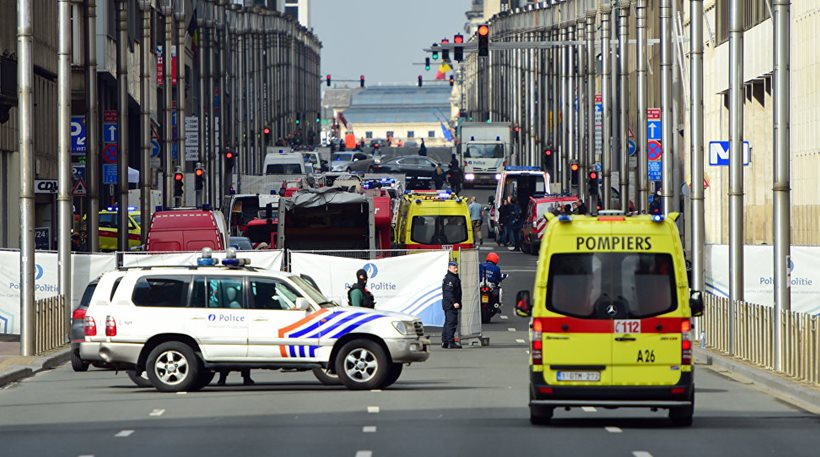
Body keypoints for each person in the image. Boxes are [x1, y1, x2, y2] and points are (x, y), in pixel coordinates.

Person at [441, 261, 462, 349]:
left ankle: (445, 341)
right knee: (451, 323)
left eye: (456, 267)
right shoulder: (450, 278)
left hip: (448, 304)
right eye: (454, 268)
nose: (456, 269)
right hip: (450, 305)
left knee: (447, 323)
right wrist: (454, 302)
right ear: (449, 268)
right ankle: (450, 342)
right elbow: (448, 292)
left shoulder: (452, 277)